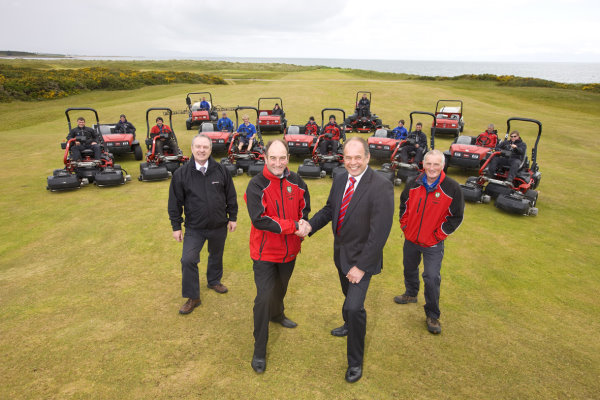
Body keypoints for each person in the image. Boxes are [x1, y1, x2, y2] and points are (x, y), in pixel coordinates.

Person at [308, 137, 394, 383]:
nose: (353, 162)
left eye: (358, 157)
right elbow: (329, 210)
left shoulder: (381, 185)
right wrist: (308, 227)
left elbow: (379, 234)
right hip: (341, 255)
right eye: (348, 157)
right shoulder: (339, 178)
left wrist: (361, 267)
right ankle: (347, 325)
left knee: (355, 307)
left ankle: (355, 363)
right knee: (348, 301)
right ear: (342, 158)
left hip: (362, 260)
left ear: (367, 158)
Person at [245, 139, 311, 374]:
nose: (278, 162)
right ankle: (259, 350)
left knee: (280, 289)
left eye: (282, 157)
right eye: (273, 157)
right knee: (263, 298)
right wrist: (293, 226)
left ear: (288, 157)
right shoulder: (256, 185)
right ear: (265, 158)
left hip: (290, 252)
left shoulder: (296, 181)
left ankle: (278, 314)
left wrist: (302, 223)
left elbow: (305, 206)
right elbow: (259, 219)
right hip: (264, 254)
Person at [395, 149, 464, 334]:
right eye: (429, 164)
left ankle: (433, 315)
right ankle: (411, 294)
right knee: (409, 268)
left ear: (442, 166)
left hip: (433, 244)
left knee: (432, 278)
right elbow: (403, 205)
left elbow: (456, 217)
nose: (432, 168)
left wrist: (437, 235)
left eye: (436, 164)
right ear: (423, 164)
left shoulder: (452, 188)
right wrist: (405, 226)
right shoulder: (412, 183)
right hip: (411, 239)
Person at [168, 134, 238, 315]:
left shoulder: (221, 170)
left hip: (218, 225)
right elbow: (174, 203)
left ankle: (214, 280)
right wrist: (176, 227)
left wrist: (233, 217)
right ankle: (193, 297)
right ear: (192, 149)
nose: (201, 150)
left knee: (216, 254)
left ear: (210, 150)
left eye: (205, 147)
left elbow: (231, 195)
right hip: (194, 228)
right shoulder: (181, 174)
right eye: (198, 147)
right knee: (188, 259)